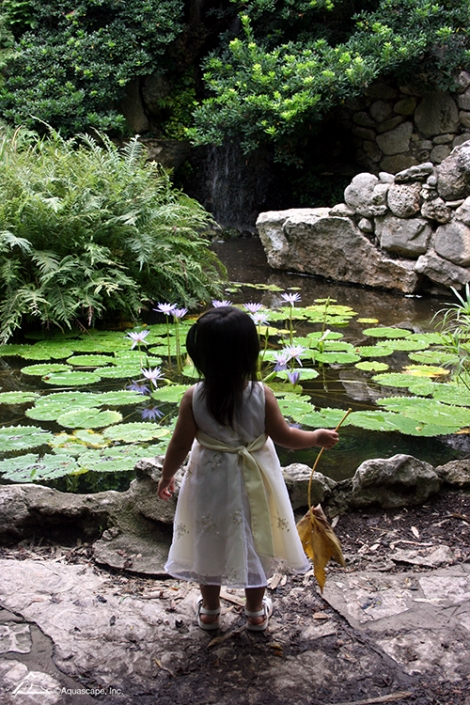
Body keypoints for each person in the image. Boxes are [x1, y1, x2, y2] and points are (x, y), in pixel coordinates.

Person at [157, 306, 339, 631]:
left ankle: (210, 611)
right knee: (255, 540)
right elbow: (285, 437)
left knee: (209, 540)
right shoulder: (261, 395)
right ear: (249, 352)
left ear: (199, 355)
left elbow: (179, 445)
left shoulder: (193, 397)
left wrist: (167, 475)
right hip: (256, 480)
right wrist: (316, 437)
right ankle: (255, 612)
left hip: (209, 482)